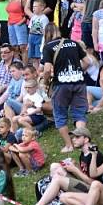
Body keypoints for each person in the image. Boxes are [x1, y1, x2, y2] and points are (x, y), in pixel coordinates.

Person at [41, 23, 90, 153]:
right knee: (79, 112)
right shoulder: (74, 43)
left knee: (60, 114)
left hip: (61, 84)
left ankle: (69, 145)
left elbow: (46, 69)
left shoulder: (48, 47)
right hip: (79, 82)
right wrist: (78, 72)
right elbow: (88, 62)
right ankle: (81, 141)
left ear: (46, 34)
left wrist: (45, 82)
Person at [26, 0, 49, 66]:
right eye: (33, 7)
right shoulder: (33, 17)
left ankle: (39, 70)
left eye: (35, 6)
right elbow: (30, 29)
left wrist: (44, 42)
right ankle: (35, 70)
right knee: (33, 57)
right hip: (32, 38)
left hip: (39, 38)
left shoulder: (44, 18)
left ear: (42, 8)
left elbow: (45, 31)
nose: (33, 8)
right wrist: (28, 43)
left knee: (38, 56)